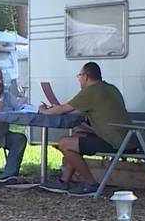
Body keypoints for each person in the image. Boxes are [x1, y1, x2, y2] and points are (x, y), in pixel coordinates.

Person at [38, 61, 135, 196]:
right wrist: (60, 109)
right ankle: (63, 181)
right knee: (77, 135)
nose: (79, 79)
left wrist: (43, 110)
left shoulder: (90, 91)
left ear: (86, 76)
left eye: (79, 76)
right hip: (129, 139)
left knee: (64, 143)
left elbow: (63, 109)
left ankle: (90, 184)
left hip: (116, 142)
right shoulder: (110, 88)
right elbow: (77, 110)